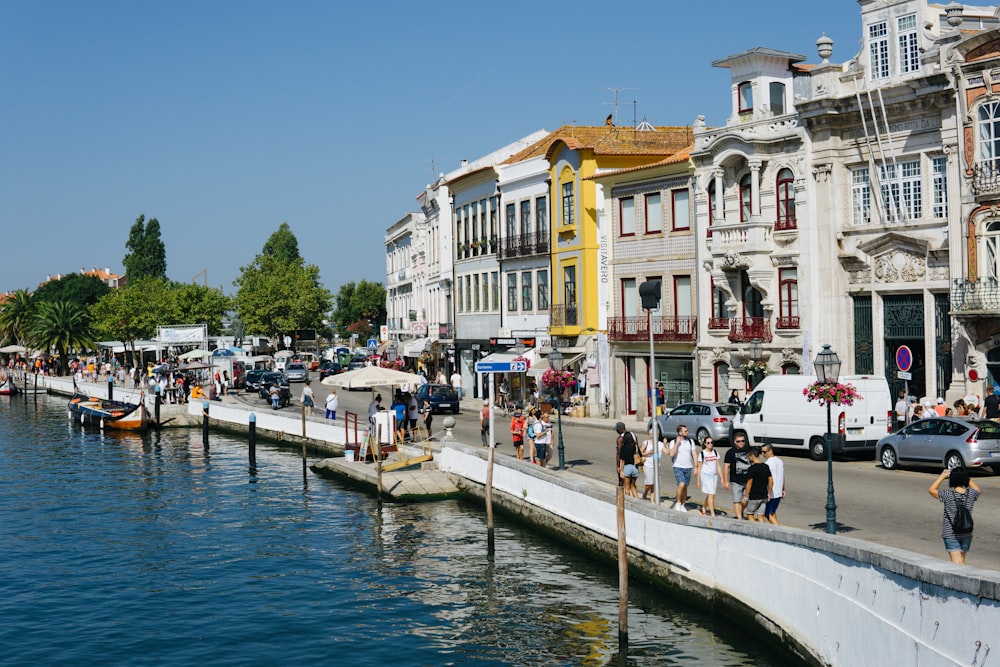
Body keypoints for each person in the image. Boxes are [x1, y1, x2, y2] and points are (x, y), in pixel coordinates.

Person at [929, 467, 981, 564]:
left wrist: (942, 476)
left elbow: (932, 490)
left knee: (957, 564)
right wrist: (965, 477)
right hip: (967, 532)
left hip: (951, 534)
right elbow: (977, 489)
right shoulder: (971, 494)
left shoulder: (947, 495)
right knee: (962, 560)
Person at [667, 424, 697, 512]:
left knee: (685, 487)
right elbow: (671, 454)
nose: (687, 432)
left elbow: (694, 454)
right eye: (685, 431)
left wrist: (696, 466)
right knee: (681, 484)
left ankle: (683, 504)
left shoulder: (690, 441)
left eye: (687, 431)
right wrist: (677, 443)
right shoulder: (673, 441)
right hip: (678, 466)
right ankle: (678, 502)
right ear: (680, 433)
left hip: (688, 467)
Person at [723, 434, 752, 520]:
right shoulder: (730, 452)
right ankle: (739, 518)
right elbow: (726, 467)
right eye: (738, 441)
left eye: (742, 441)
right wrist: (725, 481)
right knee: (736, 500)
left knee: (746, 500)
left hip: (747, 480)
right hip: (736, 480)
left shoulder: (748, 450)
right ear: (735, 442)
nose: (741, 443)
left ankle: (740, 512)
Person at [742, 447, 773, 522]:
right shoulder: (766, 466)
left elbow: (749, 484)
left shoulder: (752, 469)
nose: (748, 459)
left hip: (755, 496)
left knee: (750, 514)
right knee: (760, 515)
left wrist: (745, 497)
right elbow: (771, 480)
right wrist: (769, 493)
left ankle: (754, 530)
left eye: (748, 456)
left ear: (752, 456)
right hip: (764, 496)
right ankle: (762, 530)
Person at [695, 436, 722, 516]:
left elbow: (718, 466)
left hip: (714, 475)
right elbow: (699, 468)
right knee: (711, 494)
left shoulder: (715, 452)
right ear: (705, 444)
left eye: (711, 443)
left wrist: (722, 478)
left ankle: (704, 507)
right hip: (705, 475)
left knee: (711, 494)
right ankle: (712, 513)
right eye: (708, 443)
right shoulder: (702, 454)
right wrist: (698, 480)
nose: (710, 444)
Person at [615, 421, 639, 498]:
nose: (616, 431)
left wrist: (618, 466)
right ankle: (636, 500)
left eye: (617, 429)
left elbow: (619, 454)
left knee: (624, 485)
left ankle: (622, 499)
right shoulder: (633, 435)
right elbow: (637, 450)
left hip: (626, 466)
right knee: (633, 485)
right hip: (635, 466)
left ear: (621, 429)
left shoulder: (620, 439)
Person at [762, 445, 785, 525]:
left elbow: (769, 480)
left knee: (767, 513)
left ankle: (779, 530)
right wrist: (783, 490)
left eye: (764, 452)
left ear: (770, 451)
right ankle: (777, 527)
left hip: (772, 493)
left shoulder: (767, 464)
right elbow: (782, 477)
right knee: (772, 513)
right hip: (778, 492)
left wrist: (768, 492)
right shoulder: (780, 461)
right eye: (762, 452)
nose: (763, 454)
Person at [641, 426, 665, 503]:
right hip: (648, 465)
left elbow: (667, 452)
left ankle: (652, 499)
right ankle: (645, 493)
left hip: (656, 466)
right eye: (655, 434)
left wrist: (666, 444)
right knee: (649, 483)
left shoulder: (660, 444)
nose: (656, 435)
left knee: (654, 484)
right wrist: (648, 453)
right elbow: (640, 452)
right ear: (650, 435)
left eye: (657, 434)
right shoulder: (646, 443)